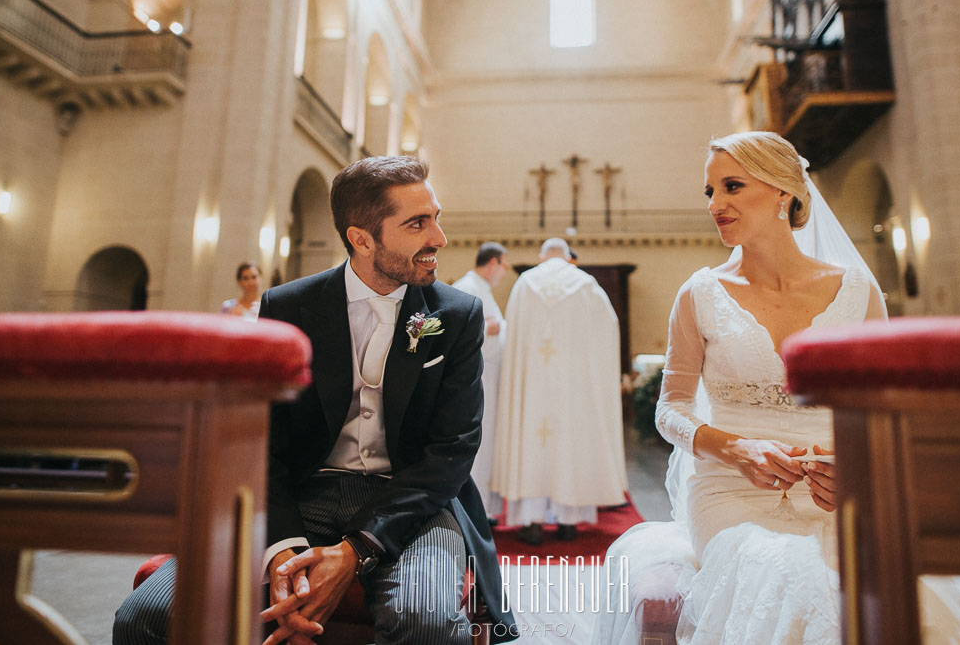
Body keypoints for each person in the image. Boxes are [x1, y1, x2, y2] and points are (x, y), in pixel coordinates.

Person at [596, 132, 960, 644]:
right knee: (795, 580)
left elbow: (884, 410)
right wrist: (738, 450)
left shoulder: (856, 290)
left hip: (838, 488)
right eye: (710, 192)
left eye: (732, 186)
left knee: (917, 593)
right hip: (732, 490)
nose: (716, 204)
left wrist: (855, 469)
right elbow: (669, 411)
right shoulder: (700, 293)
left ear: (784, 191)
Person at [114, 157, 517, 645]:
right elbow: (262, 440)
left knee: (427, 622)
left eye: (436, 217)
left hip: (411, 505)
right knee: (144, 617)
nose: (439, 238)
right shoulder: (287, 307)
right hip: (297, 496)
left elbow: (451, 451)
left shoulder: (456, 315)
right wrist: (282, 551)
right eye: (418, 223)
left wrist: (355, 551)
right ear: (362, 238)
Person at [492, 237, 627, 544]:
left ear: (542, 257)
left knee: (532, 441)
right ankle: (569, 521)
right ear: (568, 258)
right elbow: (609, 328)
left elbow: (511, 336)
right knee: (571, 442)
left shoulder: (526, 283)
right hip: (572, 385)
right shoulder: (586, 284)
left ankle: (533, 521)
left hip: (533, 382)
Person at [451, 241, 511, 521]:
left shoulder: (482, 288)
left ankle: (483, 507)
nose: (504, 272)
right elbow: (458, 328)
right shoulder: (469, 287)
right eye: (503, 265)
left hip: (490, 374)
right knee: (479, 443)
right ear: (493, 263)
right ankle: (474, 509)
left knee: (487, 443)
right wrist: (491, 327)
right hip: (478, 377)